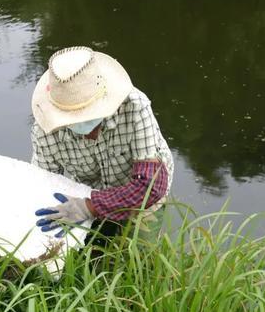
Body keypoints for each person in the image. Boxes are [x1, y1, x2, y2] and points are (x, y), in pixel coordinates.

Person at [30, 46, 174, 246]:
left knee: (140, 255)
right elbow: (43, 183)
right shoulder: (45, 129)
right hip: (86, 193)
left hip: (141, 195)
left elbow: (150, 186)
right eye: (72, 115)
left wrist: (90, 207)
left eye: (85, 112)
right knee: (93, 254)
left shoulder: (134, 107)